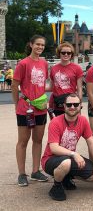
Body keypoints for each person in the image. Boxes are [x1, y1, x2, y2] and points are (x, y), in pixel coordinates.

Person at [41, 93, 93, 201]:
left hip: (69, 158)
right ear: (64, 106)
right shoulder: (55, 122)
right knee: (66, 163)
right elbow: (54, 148)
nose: (72, 107)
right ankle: (56, 187)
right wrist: (74, 154)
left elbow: (91, 142)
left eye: (75, 104)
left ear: (80, 106)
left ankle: (65, 177)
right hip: (50, 159)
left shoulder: (83, 120)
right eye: (69, 105)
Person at [11, 35, 49, 187]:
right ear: (31, 44)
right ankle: (21, 173)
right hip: (25, 107)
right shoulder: (23, 63)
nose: (40, 47)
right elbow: (15, 86)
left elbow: (42, 84)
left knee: (38, 140)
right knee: (23, 141)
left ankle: (35, 171)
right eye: (37, 44)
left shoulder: (44, 63)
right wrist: (16, 104)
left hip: (40, 107)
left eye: (42, 45)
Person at [48, 42, 83, 116]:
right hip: (56, 103)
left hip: (71, 102)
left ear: (71, 54)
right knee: (57, 126)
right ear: (59, 54)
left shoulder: (77, 68)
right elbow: (51, 87)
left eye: (68, 53)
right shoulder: (54, 69)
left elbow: (79, 88)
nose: (66, 54)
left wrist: (79, 103)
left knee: (74, 126)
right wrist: (33, 88)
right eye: (63, 52)